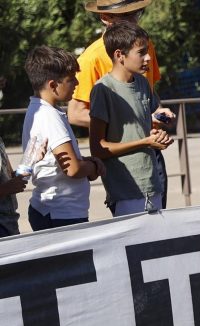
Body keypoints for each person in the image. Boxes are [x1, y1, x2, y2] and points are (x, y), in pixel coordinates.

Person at [69, 0, 172, 209]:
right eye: (126, 16)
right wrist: (128, 125)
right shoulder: (91, 58)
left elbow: (150, 97)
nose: (134, 20)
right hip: (124, 166)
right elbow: (75, 113)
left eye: (137, 13)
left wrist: (158, 114)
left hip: (152, 155)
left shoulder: (143, 44)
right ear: (105, 17)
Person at [89, 21, 174, 216]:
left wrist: (160, 129)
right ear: (119, 55)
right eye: (141, 52)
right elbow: (98, 148)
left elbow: (150, 121)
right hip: (126, 192)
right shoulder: (103, 90)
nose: (148, 57)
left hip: (153, 185)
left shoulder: (143, 82)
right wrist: (145, 142)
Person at [22, 46, 106, 230]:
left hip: (56, 212)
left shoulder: (45, 111)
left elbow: (61, 161)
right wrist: (94, 166)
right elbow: (72, 168)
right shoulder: (48, 116)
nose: (76, 83)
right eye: (70, 79)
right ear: (53, 85)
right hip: (60, 214)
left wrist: (85, 161)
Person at [0, 137, 27, 237]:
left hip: (9, 224)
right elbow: (6, 186)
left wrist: (32, 159)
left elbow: (9, 176)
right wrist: (5, 189)